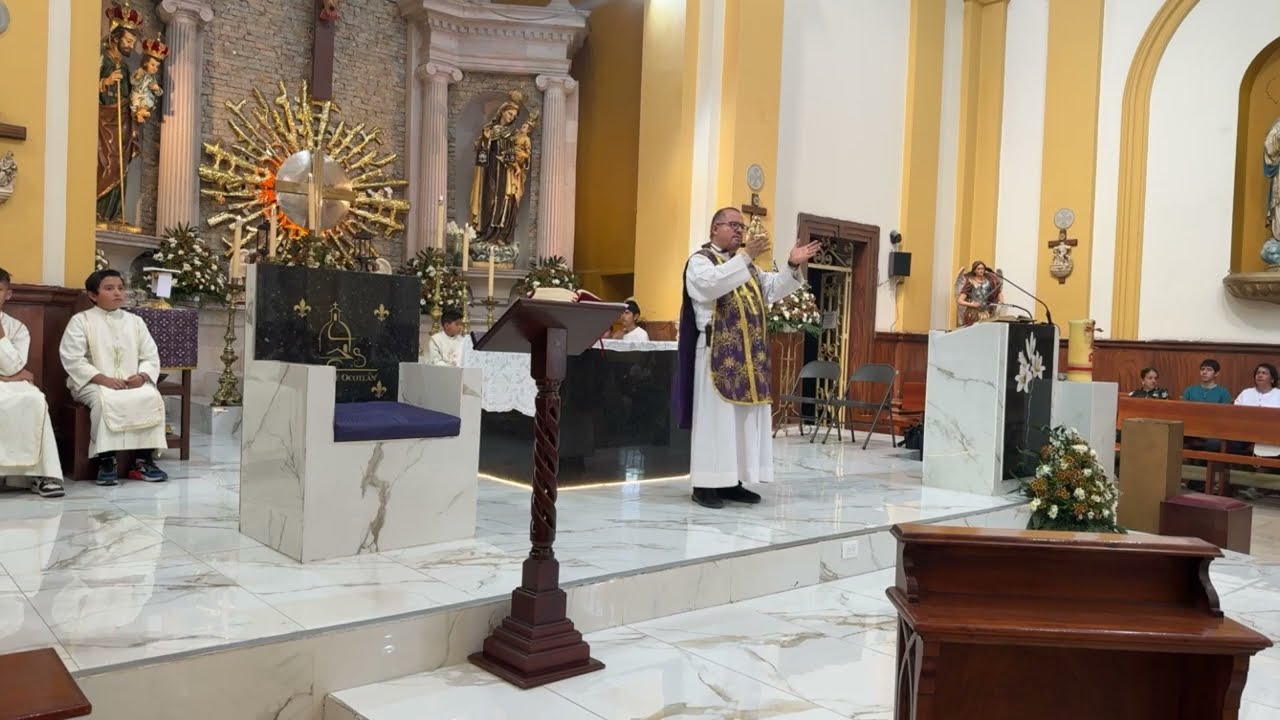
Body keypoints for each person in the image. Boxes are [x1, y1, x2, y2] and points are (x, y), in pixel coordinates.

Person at [674, 207, 821, 509]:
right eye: (732, 225)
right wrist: (746, 258)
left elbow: (773, 289)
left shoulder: (749, 268)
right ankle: (705, 484)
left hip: (749, 359)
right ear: (715, 229)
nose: (739, 231)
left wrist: (792, 264)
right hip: (717, 355)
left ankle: (732, 480)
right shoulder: (701, 262)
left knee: (742, 422)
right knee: (717, 422)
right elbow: (711, 285)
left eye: (741, 226)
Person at [60, 269, 168, 485]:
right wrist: (103, 379)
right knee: (104, 400)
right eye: (109, 289)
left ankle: (143, 460)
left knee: (151, 396)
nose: (117, 293)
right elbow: (72, 358)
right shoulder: (81, 321)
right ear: (92, 295)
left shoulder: (135, 321)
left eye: (120, 288)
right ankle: (106, 460)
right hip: (91, 382)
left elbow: (150, 354)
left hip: (131, 382)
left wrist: (142, 376)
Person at [0, 268, 65, 497]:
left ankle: (40, 475)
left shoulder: (16, 328)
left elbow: (14, 366)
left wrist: (1, 336)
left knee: (34, 398)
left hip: (10, 383)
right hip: (5, 381)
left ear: (8, 294)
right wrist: (7, 377)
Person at [1233, 363, 1280, 458]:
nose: (1260, 375)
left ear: (1272, 379)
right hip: (1245, 432)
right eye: (1258, 373)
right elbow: (1235, 413)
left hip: (1272, 434)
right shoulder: (1246, 393)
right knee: (1233, 443)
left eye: (1264, 373)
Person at [954, 261, 1004, 326]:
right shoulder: (970, 282)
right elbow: (960, 300)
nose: (981, 270)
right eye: (978, 269)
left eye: (982, 268)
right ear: (974, 270)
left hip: (986, 313)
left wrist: (1001, 301)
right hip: (973, 314)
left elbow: (998, 292)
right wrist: (972, 304)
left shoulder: (990, 281)